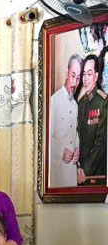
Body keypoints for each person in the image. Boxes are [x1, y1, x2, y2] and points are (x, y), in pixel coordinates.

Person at [48, 55, 83, 188]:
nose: (75, 82)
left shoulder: (75, 105)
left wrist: (77, 149)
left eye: (78, 78)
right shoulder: (53, 101)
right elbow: (45, 140)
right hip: (57, 173)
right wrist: (60, 152)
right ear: (66, 74)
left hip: (71, 173)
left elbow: (75, 134)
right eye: (73, 75)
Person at [76, 52, 107, 186]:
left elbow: (102, 143)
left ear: (96, 76)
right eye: (83, 74)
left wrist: (85, 170)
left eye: (89, 74)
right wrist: (78, 167)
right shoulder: (80, 103)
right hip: (80, 174)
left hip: (97, 175)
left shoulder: (103, 102)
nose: (85, 79)